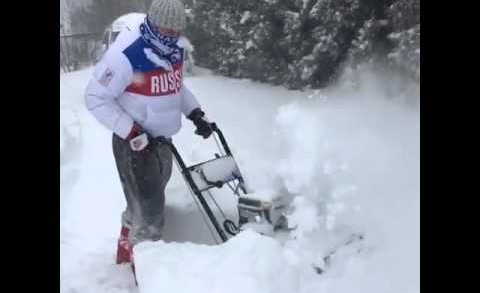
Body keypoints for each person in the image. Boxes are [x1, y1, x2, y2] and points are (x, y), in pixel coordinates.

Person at [84, 0, 214, 266]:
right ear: (153, 24)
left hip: (162, 142)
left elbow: (175, 88)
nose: (173, 36)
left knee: (144, 203)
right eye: (167, 30)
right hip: (133, 145)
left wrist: (195, 114)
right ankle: (146, 272)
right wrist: (131, 131)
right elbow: (95, 97)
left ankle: (125, 254)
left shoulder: (174, 51)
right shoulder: (125, 55)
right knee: (151, 214)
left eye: (177, 31)